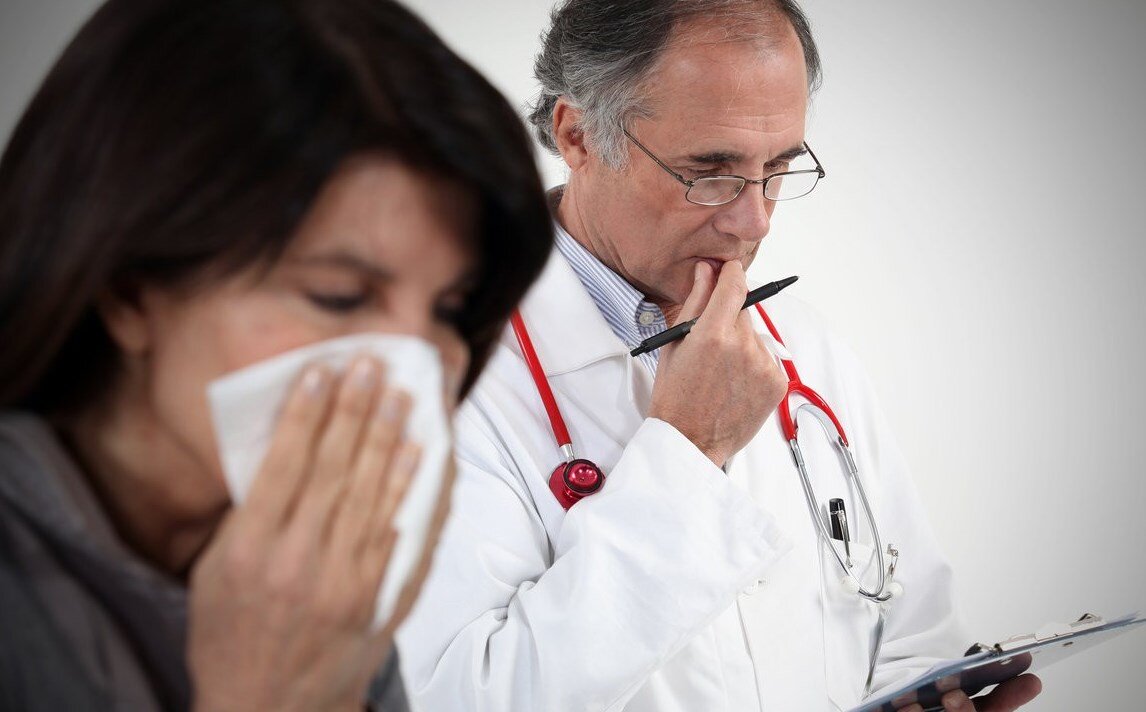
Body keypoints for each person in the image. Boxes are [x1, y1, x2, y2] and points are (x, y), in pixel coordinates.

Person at [395, 1, 1042, 711]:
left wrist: (922, 694)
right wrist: (690, 451)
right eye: (710, 171)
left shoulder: (805, 346)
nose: (754, 220)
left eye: (778, 169)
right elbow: (465, 695)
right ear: (578, 135)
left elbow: (909, 632)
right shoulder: (432, 373)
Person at [0, 0, 551, 709]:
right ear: (130, 294)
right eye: (338, 297)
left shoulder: (312, 577)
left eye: (449, 309)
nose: (420, 362)